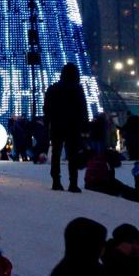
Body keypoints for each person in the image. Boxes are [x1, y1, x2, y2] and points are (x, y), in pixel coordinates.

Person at [44, 63, 88, 193]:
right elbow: (82, 109)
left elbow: (47, 108)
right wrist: (84, 125)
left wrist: (49, 121)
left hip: (57, 126)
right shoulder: (77, 89)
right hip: (73, 126)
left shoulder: (53, 89)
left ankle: (56, 181)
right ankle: (73, 183)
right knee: (72, 155)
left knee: (56, 154)